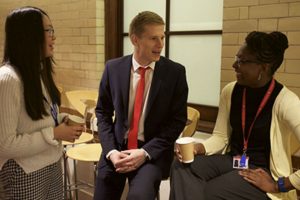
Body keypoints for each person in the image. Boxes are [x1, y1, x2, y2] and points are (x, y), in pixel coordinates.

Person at [170, 31, 300, 200]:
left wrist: (278, 184)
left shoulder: (287, 101)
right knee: (181, 166)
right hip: (233, 160)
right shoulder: (230, 91)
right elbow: (221, 137)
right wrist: (198, 148)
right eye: (237, 58)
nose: (234, 65)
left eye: (242, 61)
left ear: (264, 66)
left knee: (210, 192)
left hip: (261, 171)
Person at [94, 11, 188, 200]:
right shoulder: (113, 68)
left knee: (139, 196)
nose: (161, 45)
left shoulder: (175, 72)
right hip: (117, 148)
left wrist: (145, 153)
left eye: (162, 37)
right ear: (135, 39)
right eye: (154, 38)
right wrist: (111, 151)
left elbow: (178, 121)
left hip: (151, 152)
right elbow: (102, 113)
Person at [0, 6, 84, 199]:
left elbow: (35, 116)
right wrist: (54, 133)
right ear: (28, 35)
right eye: (49, 31)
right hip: (24, 171)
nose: (53, 37)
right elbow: (4, 144)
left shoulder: (39, 71)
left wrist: (62, 119)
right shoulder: (8, 79)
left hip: (51, 162)